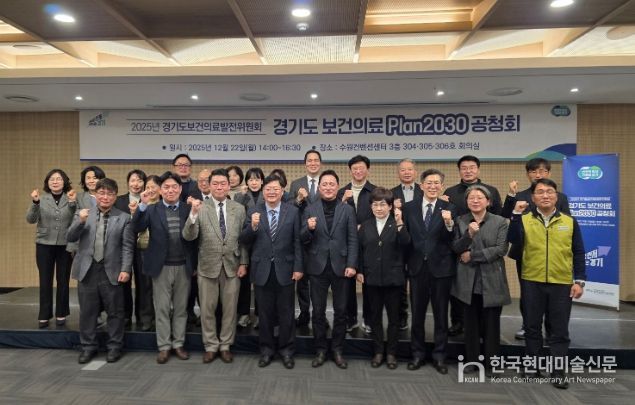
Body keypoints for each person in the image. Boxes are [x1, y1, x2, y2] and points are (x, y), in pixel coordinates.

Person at [507, 178, 585, 389]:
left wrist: (579, 281)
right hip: (532, 280)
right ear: (533, 198)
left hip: (561, 282)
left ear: (556, 196)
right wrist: (515, 215)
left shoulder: (569, 221)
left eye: (549, 191)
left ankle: (558, 371)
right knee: (532, 327)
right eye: (540, 192)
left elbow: (578, 252)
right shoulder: (524, 219)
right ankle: (531, 367)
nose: (545, 195)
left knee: (559, 330)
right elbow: (513, 239)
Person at [501, 157, 571, 340]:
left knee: (553, 294)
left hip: (552, 254)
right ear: (528, 174)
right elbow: (504, 215)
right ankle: (528, 325)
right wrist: (511, 195)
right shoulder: (520, 195)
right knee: (528, 293)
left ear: (549, 173)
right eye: (533, 171)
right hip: (525, 253)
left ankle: (551, 328)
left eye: (542, 171)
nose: (538, 174)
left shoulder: (560, 197)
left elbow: (567, 223)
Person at [183, 168, 249, 364]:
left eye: (223, 183)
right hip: (207, 266)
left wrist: (244, 262)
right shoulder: (200, 207)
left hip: (232, 266)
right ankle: (211, 346)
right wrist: (193, 214)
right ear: (209, 186)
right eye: (215, 184)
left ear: (229, 186)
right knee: (207, 309)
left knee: (230, 310)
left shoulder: (239, 209)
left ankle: (226, 345)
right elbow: (189, 236)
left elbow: (243, 239)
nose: (219, 187)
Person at [132, 171, 197, 364]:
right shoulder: (152, 209)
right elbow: (136, 227)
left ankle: (178, 344)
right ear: (160, 190)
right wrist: (142, 205)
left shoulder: (188, 209)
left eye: (174, 187)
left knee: (181, 308)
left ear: (180, 189)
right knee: (161, 308)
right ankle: (164, 346)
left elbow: (195, 239)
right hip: (161, 267)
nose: (170, 190)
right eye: (166, 187)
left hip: (183, 266)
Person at [66, 178, 134, 364]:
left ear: (115, 196)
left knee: (115, 312)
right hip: (87, 270)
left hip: (112, 270)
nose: (105, 197)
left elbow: (127, 247)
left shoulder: (124, 218)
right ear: (95, 195)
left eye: (110, 194)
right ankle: (88, 347)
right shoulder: (82, 213)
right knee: (88, 312)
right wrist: (80, 221)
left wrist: (126, 269)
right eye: (102, 193)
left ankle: (114, 347)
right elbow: (70, 237)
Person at [240, 175, 303, 369]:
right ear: (263, 191)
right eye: (268, 189)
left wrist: (298, 267)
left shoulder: (292, 211)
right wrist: (253, 226)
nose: (272, 192)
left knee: (286, 314)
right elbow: (244, 240)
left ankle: (286, 351)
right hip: (262, 270)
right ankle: (266, 351)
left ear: (282, 191)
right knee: (265, 315)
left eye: (276, 189)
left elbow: (297, 241)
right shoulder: (253, 211)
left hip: (286, 269)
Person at [451, 185, 510, 374]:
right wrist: (469, 235)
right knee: (470, 325)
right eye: (471, 198)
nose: (475, 201)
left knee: (492, 325)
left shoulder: (500, 221)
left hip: (491, 279)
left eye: (479, 197)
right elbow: (456, 247)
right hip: (468, 280)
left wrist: (473, 255)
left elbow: (501, 249)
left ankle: (492, 363)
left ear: (488, 201)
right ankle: (472, 361)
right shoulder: (460, 221)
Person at [301, 169, 358, 369]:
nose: (328, 187)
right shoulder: (310, 209)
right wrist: (308, 229)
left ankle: (337, 349)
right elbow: (302, 239)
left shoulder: (347, 210)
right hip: (317, 267)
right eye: (324, 184)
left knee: (341, 312)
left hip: (341, 267)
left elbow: (353, 239)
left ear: (337, 187)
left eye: (331, 184)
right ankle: (320, 350)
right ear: (319, 187)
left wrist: (351, 264)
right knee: (317, 312)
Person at [402, 169, 456, 374]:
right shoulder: (409, 207)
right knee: (417, 314)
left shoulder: (450, 208)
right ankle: (417, 354)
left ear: (442, 186)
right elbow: (406, 239)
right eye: (429, 183)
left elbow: (453, 239)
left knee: (441, 315)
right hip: (417, 268)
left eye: (436, 183)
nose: (433, 186)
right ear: (421, 185)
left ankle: (440, 356)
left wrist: (449, 223)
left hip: (441, 269)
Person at [442, 155, 502, 337]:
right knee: (458, 287)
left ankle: (482, 326)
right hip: (459, 246)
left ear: (478, 169)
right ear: (459, 171)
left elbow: (499, 218)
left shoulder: (491, 190)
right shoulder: (450, 192)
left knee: (482, 290)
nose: (468, 171)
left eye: (472, 167)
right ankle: (458, 322)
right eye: (464, 168)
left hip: (485, 247)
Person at [357, 187, 409, 369]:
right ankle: (378, 351)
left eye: (383, 205)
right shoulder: (365, 226)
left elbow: (406, 244)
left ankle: (392, 353)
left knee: (394, 319)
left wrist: (400, 222)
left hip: (393, 279)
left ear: (390, 206)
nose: (379, 208)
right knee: (375, 317)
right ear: (371, 206)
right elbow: (359, 251)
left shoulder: (398, 223)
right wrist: (360, 270)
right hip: (372, 279)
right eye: (375, 205)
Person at [26, 169, 77, 328]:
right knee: (45, 280)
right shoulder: (41, 199)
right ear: (47, 183)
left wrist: (73, 203)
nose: (55, 182)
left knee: (63, 280)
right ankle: (44, 314)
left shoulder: (71, 198)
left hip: (65, 245)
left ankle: (61, 313)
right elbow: (30, 219)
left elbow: (77, 219)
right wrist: (35, 203)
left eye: (59, 179)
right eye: (52, 179)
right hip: (44, 245)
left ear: (64, 182)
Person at [337, 155, 376, 333]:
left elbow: (381, 215)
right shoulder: (341, 192)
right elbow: (334, 216)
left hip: (369, 243)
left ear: (367, 169)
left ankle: (369, 319)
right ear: (350, 171)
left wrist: (364, 227)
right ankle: (350, 319)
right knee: (347, 283)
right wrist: (343, 201)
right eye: (355, 168)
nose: (358, 171)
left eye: (361, 168)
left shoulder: (375, 191)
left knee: (368, 283)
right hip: (347, 243)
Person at [114, 169, 151, 330]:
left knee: (144, 284)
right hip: (123, 247)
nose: (136, 184)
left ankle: (144, 317)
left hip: (144, 248)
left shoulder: (149, 200)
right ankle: (125, 316)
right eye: (133, 180)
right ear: (128, 182)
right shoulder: (119, 201)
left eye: (140, 180)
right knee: (123, 283)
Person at [289, 150, 322, 328]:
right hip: (302, 236)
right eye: (310, 160)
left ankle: (320, 315)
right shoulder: (296, 183)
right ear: (305, 164)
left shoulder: (326, 182)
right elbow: (289, 209)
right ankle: (304, 313)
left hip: (322, 236)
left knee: (319, 280)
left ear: (320, 163)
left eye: (316, 160)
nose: (313, 163)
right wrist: (299, 199)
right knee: (302, 280)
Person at [391, 158, 422, 331]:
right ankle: (401, 316)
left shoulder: (424, 191)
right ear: (398, 173)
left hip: (419, 245)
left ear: (415, 172)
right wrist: (392, 208)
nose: (407, 172)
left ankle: (418, 318)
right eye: (403, 170)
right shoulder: (391, 193)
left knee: (418, 284)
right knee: (400, 283)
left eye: (410, 169)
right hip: (399, 244)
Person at [235, 167, 265, 328]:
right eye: (251, 179)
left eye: (257, 179)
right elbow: (236, 214)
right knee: (244, 282)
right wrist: (241, 196)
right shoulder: (240, 196)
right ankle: (244, 313)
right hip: (245, 244)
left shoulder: (267, 195)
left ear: (262, 181)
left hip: (262, 243)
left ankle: (261, 314)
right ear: (246, 182)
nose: (254, 182)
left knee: (261, 282)